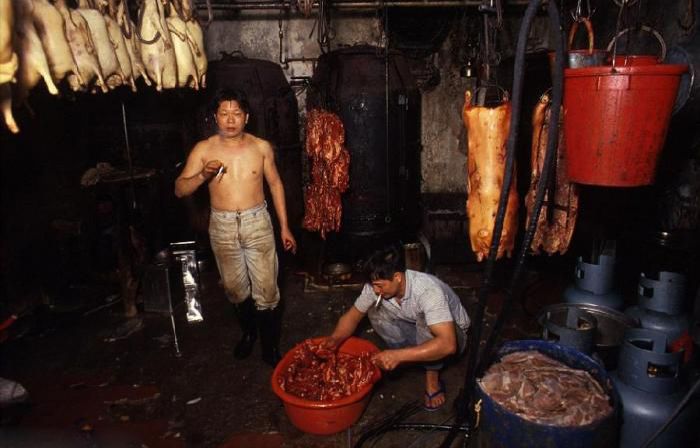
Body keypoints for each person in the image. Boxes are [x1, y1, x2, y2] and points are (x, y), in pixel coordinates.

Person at [174, 89, 297, 367]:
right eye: (224, 113)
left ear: (247, 117)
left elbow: (276, 184)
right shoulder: (204, 149)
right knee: (235, 289)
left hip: (258, 222)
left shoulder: (261, 147)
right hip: (222, 225)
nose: (230, 119)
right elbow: (180, 189)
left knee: (266, 290)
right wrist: (203, 174)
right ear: (215, 117)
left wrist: (285, 227)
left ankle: (270, 345)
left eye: (237, 113)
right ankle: (249, 333)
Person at [322, 246, 470, 411]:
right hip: (414, 326)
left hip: (453, 337)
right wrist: (335, 339)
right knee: (375, 312)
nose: (376, 290)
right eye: (373, 285)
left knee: (425, 321)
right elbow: (352, 316)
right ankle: (408, 355)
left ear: (398, 277)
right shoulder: (376, 285)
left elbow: (448, 345)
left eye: (380, 286)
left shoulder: (428, 291)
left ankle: (431, 376)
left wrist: (398, 356)